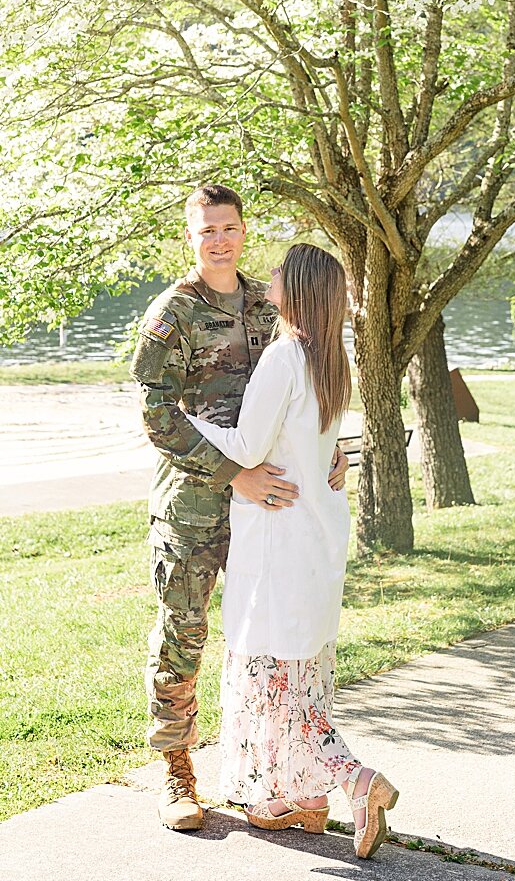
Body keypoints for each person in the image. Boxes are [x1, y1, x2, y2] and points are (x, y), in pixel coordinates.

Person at [131, 184, 349, 831]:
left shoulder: (271, 300)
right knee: (184, 637)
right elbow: (155, 413)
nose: (219, 240)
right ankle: (177, 774)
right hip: (195, 508)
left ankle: (272, 776)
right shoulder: (173, 313)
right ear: (190, 237)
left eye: (228, 228)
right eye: (207, 231)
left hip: (270, 516)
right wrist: (234, 473)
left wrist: (333, 451)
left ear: (243, 230)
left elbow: (314, 385)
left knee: (267, 645)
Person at [186, 242, 399, 859]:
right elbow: (321, 446)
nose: (269, 275)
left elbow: (249, 447)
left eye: (279, 271)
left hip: (279, 539)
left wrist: (190, 419)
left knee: (273, 675)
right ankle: (300, 797)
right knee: (301, 675)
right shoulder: (333, 358)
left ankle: (360, 783)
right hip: (317, 536)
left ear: (298, 289)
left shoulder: (283, 357)